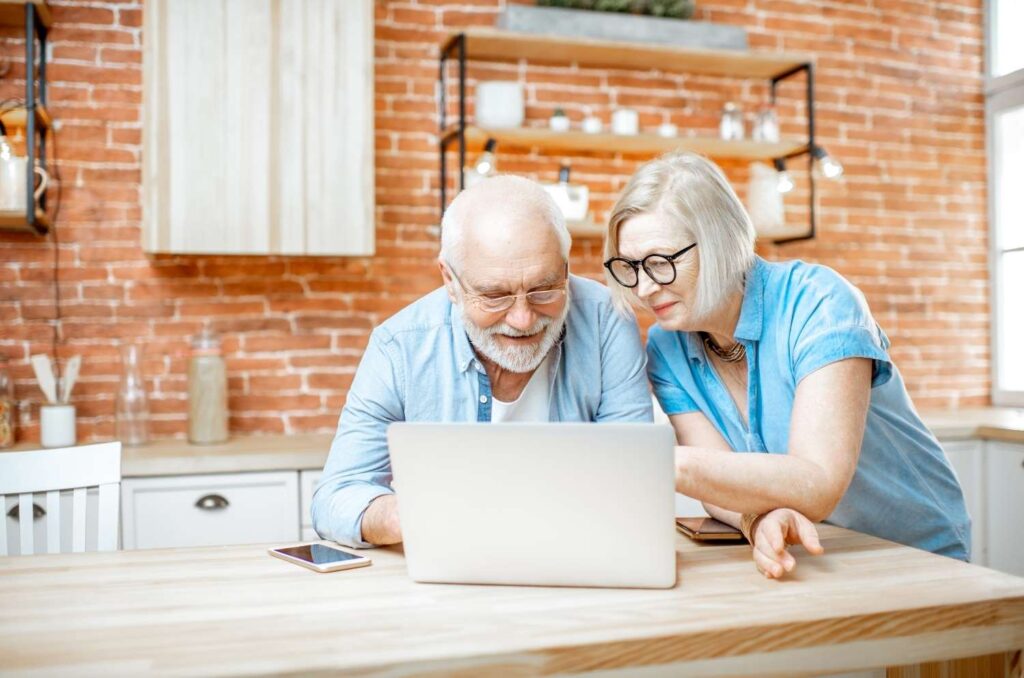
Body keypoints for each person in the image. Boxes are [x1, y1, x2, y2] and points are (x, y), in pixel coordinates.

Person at [603, 151, 970, 578]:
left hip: (915, 552)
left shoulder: (820, 301)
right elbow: (719, 486)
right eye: (629, 267)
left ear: (721, 240)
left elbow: (817, 484)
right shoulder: (667, 346)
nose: (645, 287)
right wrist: (756, 519)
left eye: (661, 262)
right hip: (815, 554)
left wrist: (666, 462)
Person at [312, 175, 652, 548]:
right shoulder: (399, 347)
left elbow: (634, 478)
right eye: (494, 296)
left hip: (578, 558)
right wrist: (410, 516)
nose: (523, 319)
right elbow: (335, 498)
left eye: (544, 290)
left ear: (566, 269)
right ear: (450, 281)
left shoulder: (607, 321)